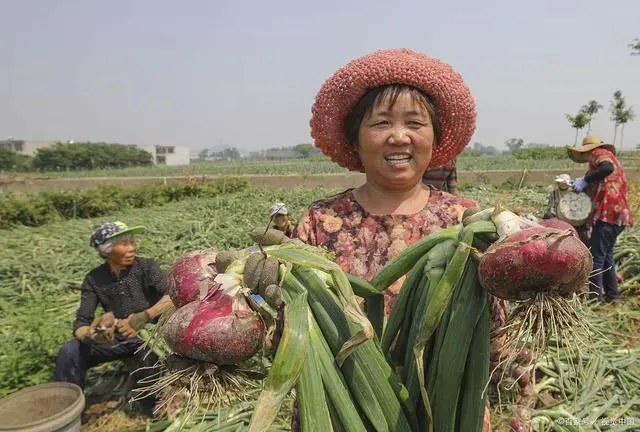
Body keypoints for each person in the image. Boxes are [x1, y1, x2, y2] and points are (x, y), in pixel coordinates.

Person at [293, 48, 522, 431]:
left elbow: (495, 332)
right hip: (344, 411)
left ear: (434, 137)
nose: (398, 136)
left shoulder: (467, 220)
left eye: (415, 123)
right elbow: (292, 331)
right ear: (355, 139)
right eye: (380, 122)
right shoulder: (320, 222)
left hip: (447, 413)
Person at [53, 221, 174, 415]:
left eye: (133, 242)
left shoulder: (146, 267)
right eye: (125, 243)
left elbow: (173, 295)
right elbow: (81, 323)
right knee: (70, 351)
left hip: (150, 336)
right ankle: (65, 411)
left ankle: (153, 410)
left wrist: (146, 315)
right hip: (118, 337)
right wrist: (93, 335)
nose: (133, 247)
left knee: (150, 358)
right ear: (107, 250)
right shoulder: (94, 279)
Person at [568, 135, 633, 303]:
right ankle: (613, 295)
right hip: (617, 215)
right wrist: (580, 184)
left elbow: (607, 168)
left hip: (607, 214)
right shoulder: (602, 160)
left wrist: (585, 179)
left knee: (596, 257)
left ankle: (595, 299)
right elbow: (599, 181)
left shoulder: (600, 153)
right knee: (606, 256)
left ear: (588, 150)